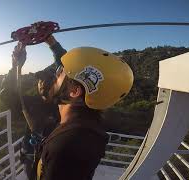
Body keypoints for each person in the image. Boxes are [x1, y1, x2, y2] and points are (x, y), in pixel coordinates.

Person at [34, 47, 134, 180]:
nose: (56, 74)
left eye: (60, 71)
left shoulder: (66, 147)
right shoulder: (85, 128)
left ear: (74, 91)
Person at [0, 35, 66, 178]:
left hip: (57, 159)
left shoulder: (64, 103)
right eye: (40, 80)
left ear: (57, 83)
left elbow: (67, 67)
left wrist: (53, 44)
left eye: (48, 79)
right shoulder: (29, 103)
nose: (42, 82)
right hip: (31, 158)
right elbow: (6, 94)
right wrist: (16, 65)